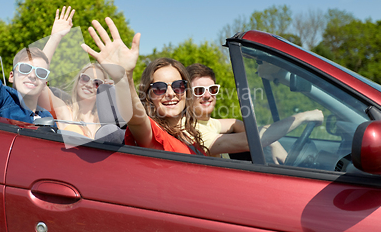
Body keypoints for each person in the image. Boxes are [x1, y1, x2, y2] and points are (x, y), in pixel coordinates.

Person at [82, 18, 207, 155]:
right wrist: (123, 78)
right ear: (148, 96)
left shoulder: (190, 137)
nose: (170, 93)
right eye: (159, 88)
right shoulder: (155, 135)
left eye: (178, 85)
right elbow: (137, 119)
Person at [186, 63, 324, 163]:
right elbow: (250, 141)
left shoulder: (206, 122)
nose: (208, 95)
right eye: (199, 90)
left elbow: (235, 124)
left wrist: (273, 144)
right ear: (186, 95)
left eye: (212, 89)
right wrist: (303, 117)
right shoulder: (193, 131)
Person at [39, 62, 111, 138]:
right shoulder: (65, 112)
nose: (89, 85)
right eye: (85, 78)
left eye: (97, 83)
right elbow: (40, 85)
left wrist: (115, 92)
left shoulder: (106, 123)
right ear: (78, 81)